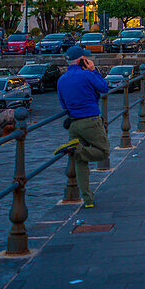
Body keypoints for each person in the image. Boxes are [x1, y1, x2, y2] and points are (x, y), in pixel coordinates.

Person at [53, 46, 110, 209]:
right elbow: (104, 88)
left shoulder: (61, 80)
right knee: (103, 152)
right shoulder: (86, 75)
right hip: (90, 120)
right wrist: (93, 70)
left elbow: (63, 104)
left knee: (80, 162)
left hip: (73, 124)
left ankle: (88, 199)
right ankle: (77, 148)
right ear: (82, 60)